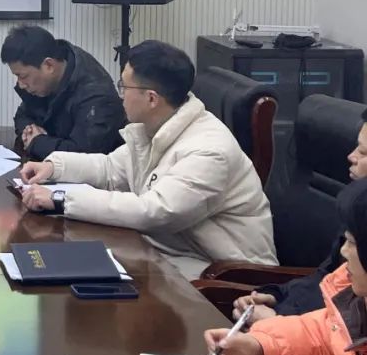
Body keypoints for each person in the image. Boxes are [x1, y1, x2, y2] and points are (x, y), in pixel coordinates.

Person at [20, 39, 277, 279]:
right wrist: (54, 167)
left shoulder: (208, 150)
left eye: (124, 87)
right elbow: (110, 169)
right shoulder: (156, 127)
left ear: (151, 98)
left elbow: (154, 211)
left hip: (225, 275)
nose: (120, 95)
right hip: (171, 252)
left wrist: (61, 198)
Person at [204, 177, 367, 355]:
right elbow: (323, 335)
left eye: (353, 243)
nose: (344, 252)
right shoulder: (353, 294)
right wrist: (261, 346)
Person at [231, 110, 367, 326]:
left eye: (363, 152)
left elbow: (340, 330)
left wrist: (279, 321)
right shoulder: (359, 209)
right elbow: (326, 278)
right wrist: (277, 296)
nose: (351, 156)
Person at [0, 25, 125, 159]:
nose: (20, 84)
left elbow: (84, 155)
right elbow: (22, 116)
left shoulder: (96, 94)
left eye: (23, 76)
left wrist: (38, 142)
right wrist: (30, 130)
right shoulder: (43, 82)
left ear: (49, 65)